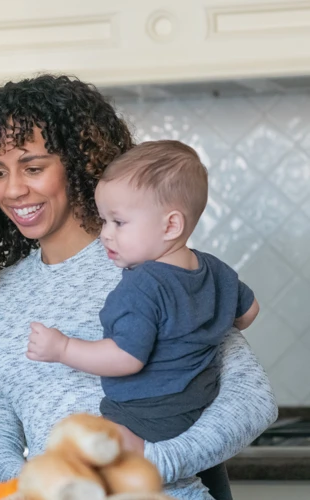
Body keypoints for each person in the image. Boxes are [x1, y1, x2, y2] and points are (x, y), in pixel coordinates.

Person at [0, 74, 277, 500]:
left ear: (80, 162)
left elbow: (251, 400)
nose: (12, 189)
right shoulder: (0, 298)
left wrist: (146, 466)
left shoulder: (157, 266)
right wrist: (32, 490)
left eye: (33, 167)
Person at [27, 140, 260, 444]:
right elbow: (249, 311)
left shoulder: (142, 285)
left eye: (119, 222)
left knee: (78, 453)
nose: (105, 234)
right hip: (197, 407)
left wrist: (63, 348)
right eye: (104, 221)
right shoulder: (214, 268)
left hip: (142, 418)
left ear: (171, 225)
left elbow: (126, 358)